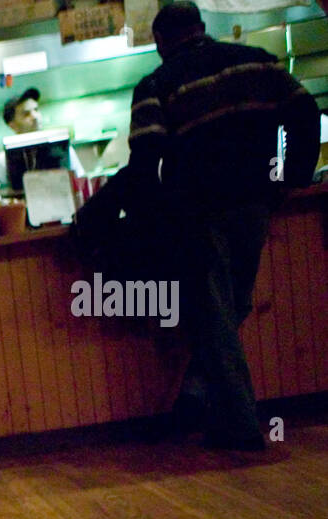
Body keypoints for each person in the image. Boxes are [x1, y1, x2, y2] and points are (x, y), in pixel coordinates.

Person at [126, 1, 319, 450]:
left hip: (197, 211)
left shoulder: (157, 84)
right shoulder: (253, 61)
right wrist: (292, 178)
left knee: (215, 315)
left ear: (159, 43)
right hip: (254, 202)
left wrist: (154, 212)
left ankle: (240, 428)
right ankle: (200, 401)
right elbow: (306, 113)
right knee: (234, 305)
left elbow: (145, 159)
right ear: (201, 27)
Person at [0, 86, 85, 189]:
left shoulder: (63, 150)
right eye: (26, 114)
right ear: (12, 125)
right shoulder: (1, 162)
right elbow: (0, 198)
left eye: (36, 110)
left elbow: (80, 182)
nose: (35, 116)